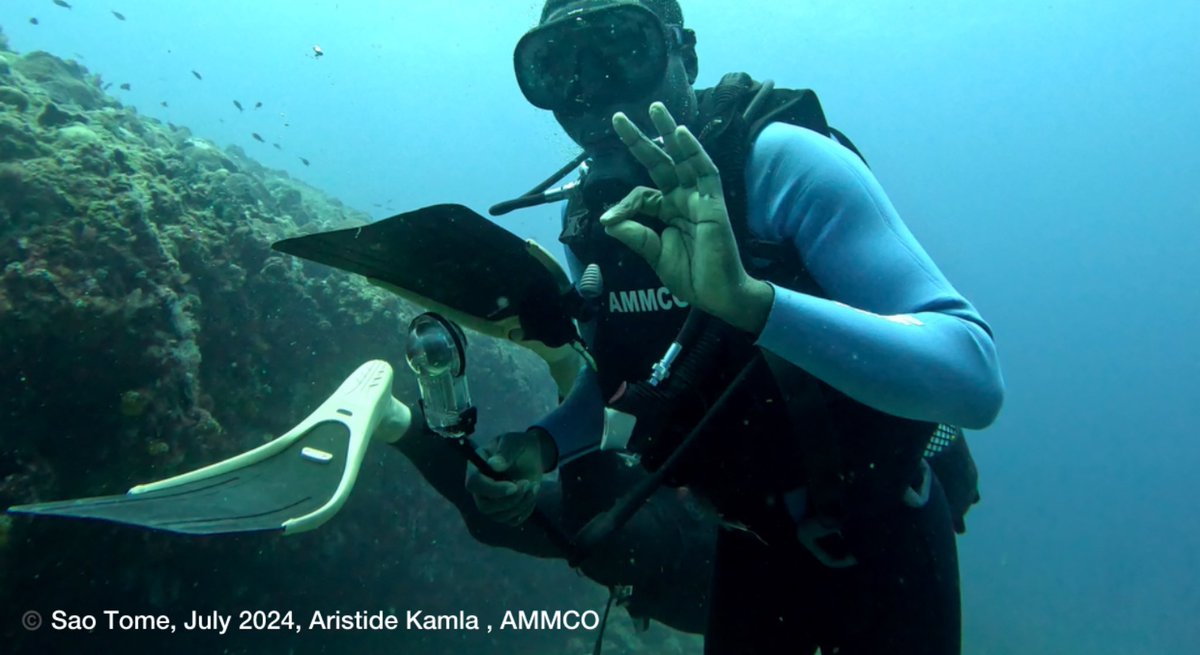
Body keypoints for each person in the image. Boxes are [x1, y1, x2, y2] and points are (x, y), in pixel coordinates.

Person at [468, 1, 1005, 653]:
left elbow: (974, 376)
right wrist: (539, 446)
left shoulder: (776, 165)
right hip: (745, 541)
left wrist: (753, 303)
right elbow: (617, 388)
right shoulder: (596, 222)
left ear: (683, 55)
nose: (590, 88)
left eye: (621, 47)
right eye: (556, 65)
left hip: (882, 540)